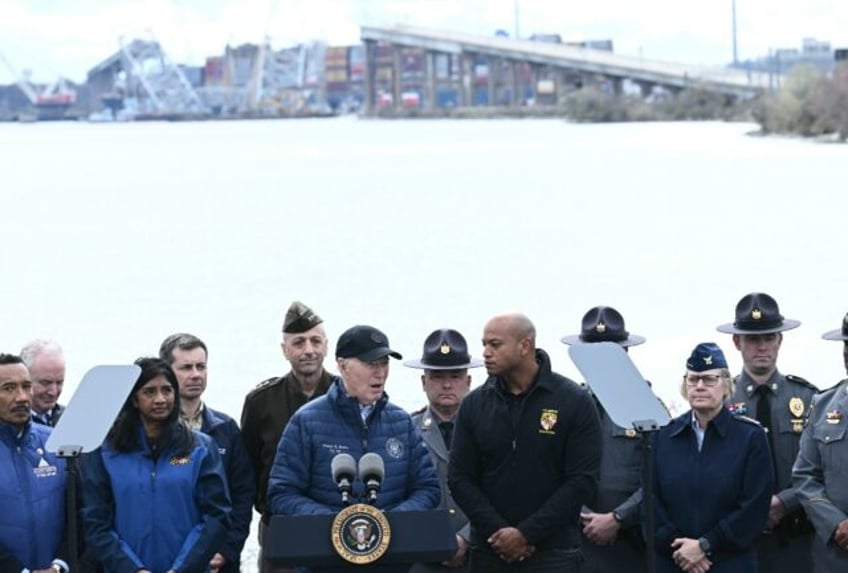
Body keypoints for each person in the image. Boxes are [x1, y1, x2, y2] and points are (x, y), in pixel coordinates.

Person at [448, 312, 602, 573]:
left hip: (555, 554)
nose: (485, 353)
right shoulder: (474, 405)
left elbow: (582, 480)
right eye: (484, 344)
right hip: (490, 552)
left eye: (495, 345)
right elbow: (460, 478)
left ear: (525, 346)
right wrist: (499, 533)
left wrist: (527, 534)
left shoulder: (573, 401)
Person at [267, 323, 440, 514]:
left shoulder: (401, 423)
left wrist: (389, 521)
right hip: (322, 540)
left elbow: (427, 489)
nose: (380, 372)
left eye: (384, 363)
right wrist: (337, 523)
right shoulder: (306, 422)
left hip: (394, 540)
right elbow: (281, 494)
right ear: (343, 366)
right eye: (370, 363)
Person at [81, 357, 231, 573]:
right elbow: (96, 523)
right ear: (134, 399)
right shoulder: (105, 452)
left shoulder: (201, 448)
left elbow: (216, 517)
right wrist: (133, 569)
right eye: (150, 392)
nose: (160, 399)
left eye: (167, 390)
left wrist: (182, 569)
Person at [717, 291, 817, 572]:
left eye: (769, 337)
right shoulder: (718, 403)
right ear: (737, 342)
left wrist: (784, 502)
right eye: (752, 339)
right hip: (737, 543)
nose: (761, 346)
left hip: (798, 541)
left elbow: (822, 468)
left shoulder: (809, 399)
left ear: (780, 340)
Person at [652, 342, 773, 573]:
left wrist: (706, 545)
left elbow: (754, 506)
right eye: (693, 379)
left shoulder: (750, 437)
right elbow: (651, 500)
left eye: (709, 379)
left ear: (726, 385)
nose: (699, 386)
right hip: (674, 561)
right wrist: (681, 549)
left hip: (730, 562)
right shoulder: (664, 436)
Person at [240, 301, 334, 572]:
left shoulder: (346, 396)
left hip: (336, 525)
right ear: (285, 350)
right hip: (280, 528)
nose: (309, 350)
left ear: (326, 346)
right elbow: (248, 470)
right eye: (299, 342)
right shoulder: (261, 402)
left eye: (315, 341)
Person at [560, 305, 648, 573]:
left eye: (610, 351)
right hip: (574, 543)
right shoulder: (565, 407)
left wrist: (619, 518)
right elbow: (550, 472)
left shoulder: (648, 409)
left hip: (631, 546)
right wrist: (583, 516)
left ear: (625, 353)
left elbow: (661, 477)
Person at [160, 333, 255, 573]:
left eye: (201, 366)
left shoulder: (226, 428)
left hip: (219, 561)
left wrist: (226, 550)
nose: (195, 374)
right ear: (167, 372)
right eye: (186, 367)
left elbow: (243, 495)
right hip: (169, 555)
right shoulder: (154, 431)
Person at [404, 328, 484, 572]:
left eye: (456, 376)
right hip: (423, 554)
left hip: (481, 552)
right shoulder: (406, 431)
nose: (447, 384)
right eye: (438, 376)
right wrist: (435, 541)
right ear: (423, 382)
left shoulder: (488, 430)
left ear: (468, 382)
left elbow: (501, 491)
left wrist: (466, 537)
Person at [0, 353, 68, 573]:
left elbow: (79, 514)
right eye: (9, 388)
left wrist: (59, 566)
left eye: (26, 386)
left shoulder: (57, 443)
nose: (21, 397)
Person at [792, 312, 848, 572]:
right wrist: (836, 524)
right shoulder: (823, 405)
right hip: (834, 555)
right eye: (847, 344)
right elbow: (805, 477)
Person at [20, 338, 66, 427]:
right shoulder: (6, 425)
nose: (53, 392)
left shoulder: (73, 421)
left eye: (59, 383)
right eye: (46, 383)